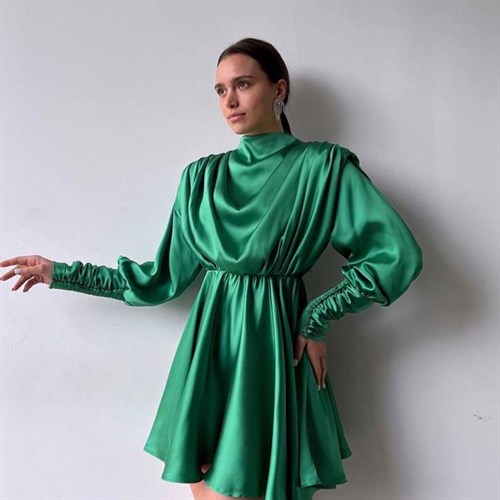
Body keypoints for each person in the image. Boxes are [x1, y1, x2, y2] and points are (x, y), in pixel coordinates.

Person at [0, 37, 423, 500]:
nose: (230, 101)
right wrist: (60, 273)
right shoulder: (201, 179)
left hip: (273, 349)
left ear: (279, 89)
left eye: (243, 84)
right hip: (209, 355)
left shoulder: (322, 168)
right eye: (221, 90)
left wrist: (316, 318)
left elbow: (396, 255)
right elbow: (159, 280)